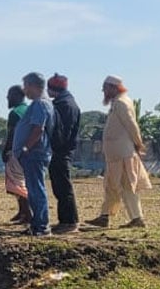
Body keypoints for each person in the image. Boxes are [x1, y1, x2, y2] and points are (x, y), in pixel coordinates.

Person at [86, 76, 151, 228]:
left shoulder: (122, 103)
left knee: (126, 186)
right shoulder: (118, 102)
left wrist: (138, 144)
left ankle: (137, 219)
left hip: (123, 154)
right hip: (115, 154)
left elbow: (131, 125)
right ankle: (104, 216)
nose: (103, 91)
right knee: (111, 185)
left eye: (105, 88)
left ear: (113, 88)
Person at [14, 72, 54, 236]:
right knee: (33, 188)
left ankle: (42, 226)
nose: (25, 90)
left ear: (32, 85)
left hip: (34, 154)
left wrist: (25, 148)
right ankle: (37, 224)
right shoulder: (43, 103)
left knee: (36, 189)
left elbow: (38, 129)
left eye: (26, 86)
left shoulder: (40, 104)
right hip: (35, 153)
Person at [46, 73, 82, 234]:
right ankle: (65, 220)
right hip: (61, 150)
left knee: (63, 186)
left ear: (54, 89)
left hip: (61, 151)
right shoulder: (66, 102)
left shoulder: (65, 105)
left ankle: (70, 221)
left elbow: (62, 131)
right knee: (59, 186)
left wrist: (54, 146)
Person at [2, 85, 30, 225]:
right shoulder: (29, 109)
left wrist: (6, 150)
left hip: (15, 151)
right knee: (22, 182)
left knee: (17, 184)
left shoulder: (15, 113)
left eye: (10, 95)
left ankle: (26, 213)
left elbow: (12, 134)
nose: (7, 98)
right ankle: (22, 211)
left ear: (17, 96)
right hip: (27, 151)